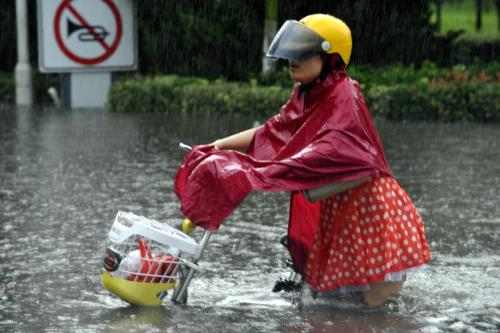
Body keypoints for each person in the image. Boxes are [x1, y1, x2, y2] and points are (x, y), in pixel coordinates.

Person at [175, 14, 430, 308]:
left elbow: (335, 147)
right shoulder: (305, 94)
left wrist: (268, 171)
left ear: (330, 58)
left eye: (303, 50)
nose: (291, 59)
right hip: (338, 206)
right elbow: (272, 132)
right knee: (336, 302)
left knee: (374, 303)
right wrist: (217, 146)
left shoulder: (345, 93)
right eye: (291, 49)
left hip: (369, 208)